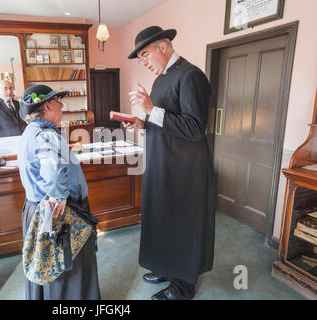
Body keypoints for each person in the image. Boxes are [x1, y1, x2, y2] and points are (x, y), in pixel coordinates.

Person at [124, 26, 215, 300]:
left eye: (145, 55)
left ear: (163, 46)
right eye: (140, 59)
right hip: (163, 163)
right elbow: (166, 120)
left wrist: (151, 109)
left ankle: (182, 287)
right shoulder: (161, 79)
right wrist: (143, 122)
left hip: (185, 170)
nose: (144, 63)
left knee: (180, 226)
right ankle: (165, 268)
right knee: (162, 219)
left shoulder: (191, 76)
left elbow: (194, 128)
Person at [17, 84, 101, 300]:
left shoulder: (31, 131)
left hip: (37, 207)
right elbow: (53, 172)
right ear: (47, 106)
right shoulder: (46, 135)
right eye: (58, 102)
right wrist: (60, 197)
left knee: (48, 265)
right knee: (65, 267)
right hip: (58, 211)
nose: (62, 106)